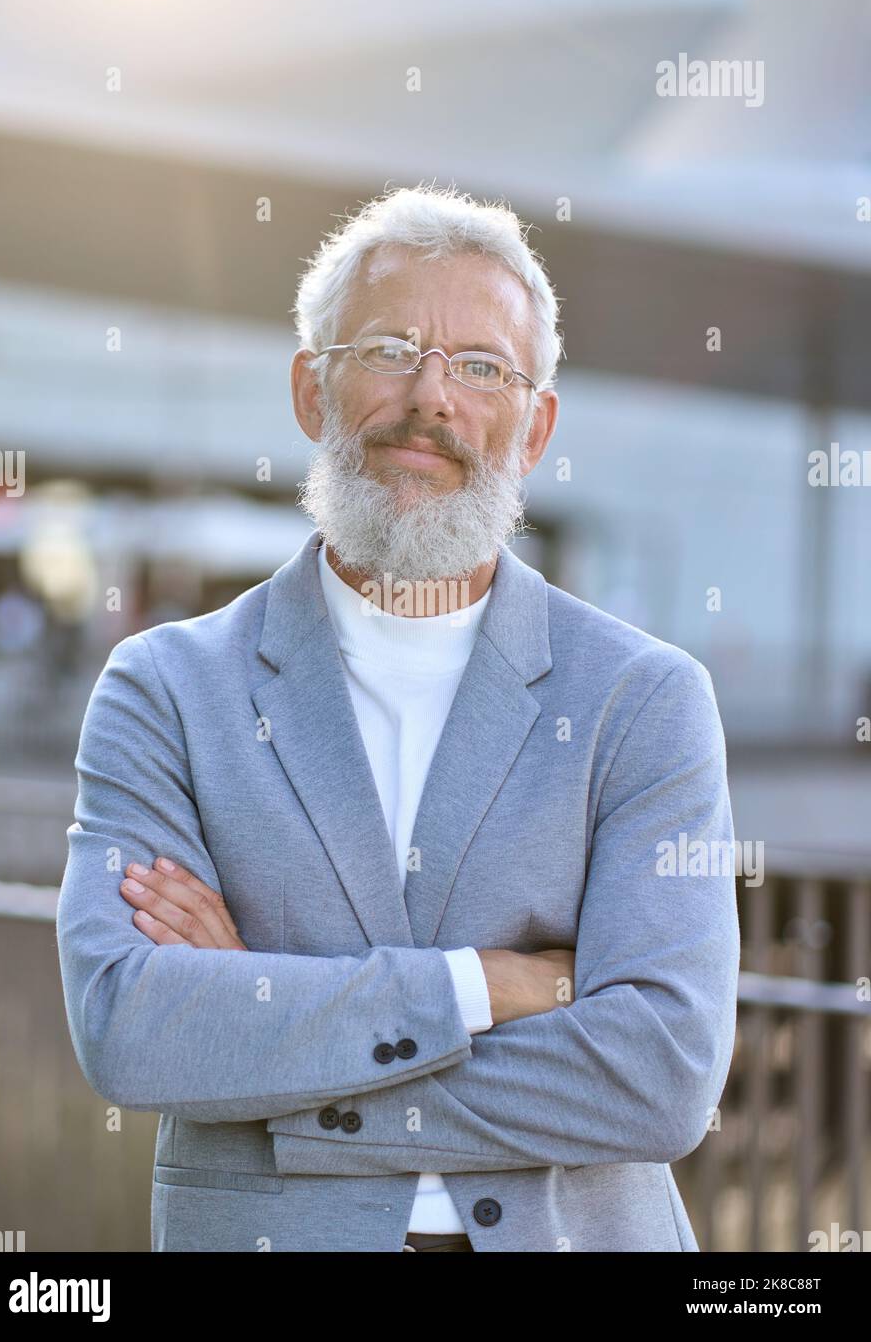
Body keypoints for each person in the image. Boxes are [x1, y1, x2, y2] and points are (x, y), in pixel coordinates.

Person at [57, 183, 740, 1252]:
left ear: (536, 423)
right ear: (311, 390)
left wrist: (264, 1027)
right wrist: (494, 986)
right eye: (388, 347)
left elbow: (661, 1076)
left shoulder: (642, 699)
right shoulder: (166, 689)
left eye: (480, 366)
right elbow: (134, 1030)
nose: (431, 397)